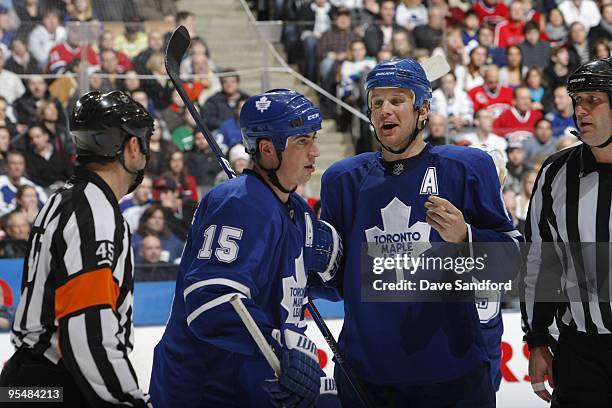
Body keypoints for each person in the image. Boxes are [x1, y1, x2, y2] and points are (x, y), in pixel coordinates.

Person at [319, 58, 522, 407]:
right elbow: (332, 283)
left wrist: (467, 237)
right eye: (377, 102)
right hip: (366, 377)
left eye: (397, 100)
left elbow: (517, 266)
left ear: (423, 109)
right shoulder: (343, 180)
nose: (385, 110)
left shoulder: (467, 169)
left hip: (454, 376)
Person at [150, 89, 341, 407]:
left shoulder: (298, 211)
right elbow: (211, 302)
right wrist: (283, 347)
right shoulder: (237, 203)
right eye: (302, 142)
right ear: (267, 150)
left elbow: (322, 283)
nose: (315, 152)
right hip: (206, 390)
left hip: (258, 387)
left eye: (314, 139)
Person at [0, 90, 153, 406]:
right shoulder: (95, 213)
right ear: (133, 146)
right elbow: (88, 332)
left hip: (29, 386)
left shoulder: (63, 198)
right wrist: (128, 400)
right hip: (61, 385)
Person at [521, 57, 612, 408]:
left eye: (593, 100)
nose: (581, 111)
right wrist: (538, 338)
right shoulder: (556, 172)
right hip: (580, 350)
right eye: (577, 101)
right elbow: (540, 262)